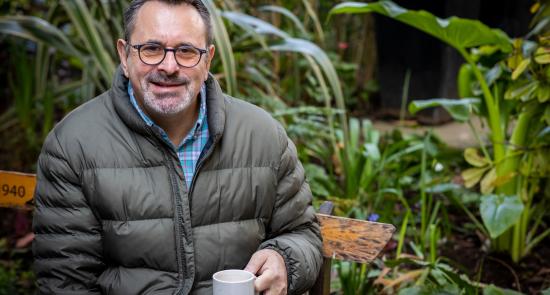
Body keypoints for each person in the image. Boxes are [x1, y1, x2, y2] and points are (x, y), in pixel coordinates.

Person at [31, 0, 323, 294]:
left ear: (208, 60)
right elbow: (66, 282)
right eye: (152, 48)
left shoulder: (262, 136)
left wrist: (284, 259)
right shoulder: (73, 144)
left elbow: (303, 234)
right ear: (124, 54)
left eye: (186, 51)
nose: (168, 67)